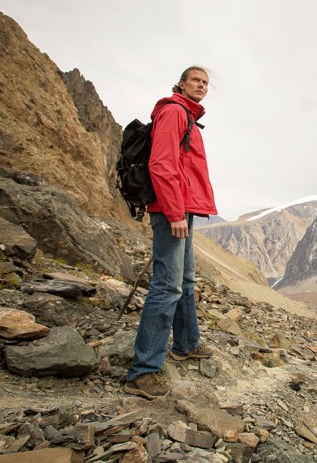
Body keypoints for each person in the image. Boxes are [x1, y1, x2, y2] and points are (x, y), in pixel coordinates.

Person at [124, 66, 217, 399]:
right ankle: (143, 371)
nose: (202, 86)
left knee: (186, 280)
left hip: (182, 210)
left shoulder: (187, 117)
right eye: (196, 80)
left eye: (206, 83)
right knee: (167, 285)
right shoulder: (174, 112)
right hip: (171, 211)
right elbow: (161, 164)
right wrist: (175, 212)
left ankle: (187, 344)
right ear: (181, 83)